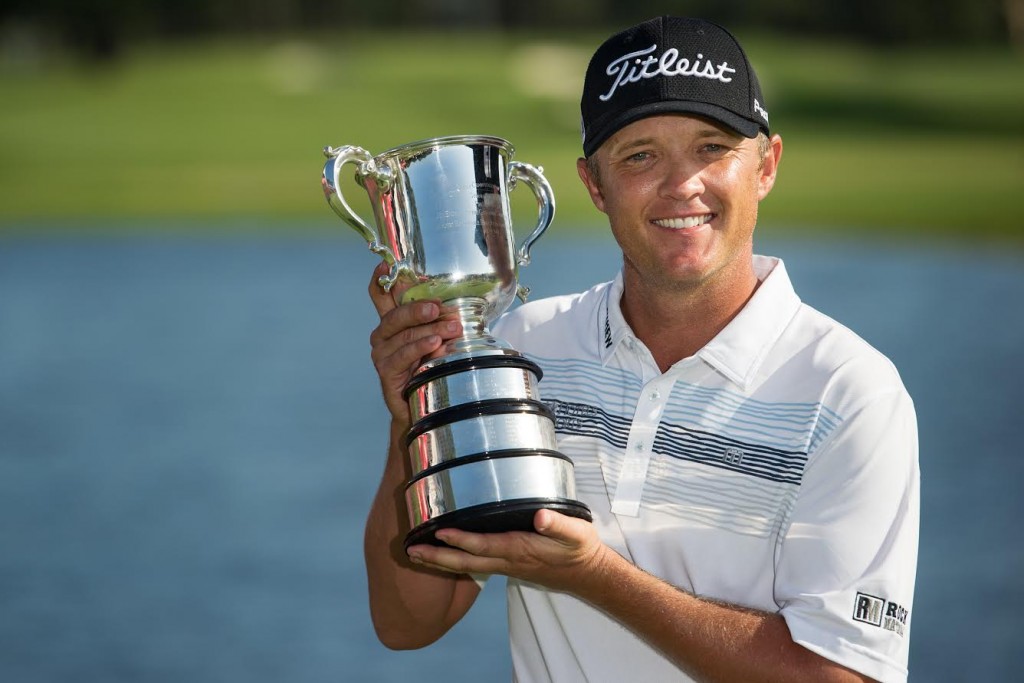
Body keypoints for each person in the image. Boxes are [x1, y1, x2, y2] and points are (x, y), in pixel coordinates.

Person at [362, 16, 919, 683]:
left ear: (765, 166)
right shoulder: (524, 350)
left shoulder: (850, 391)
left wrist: (594, 575)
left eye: (712, 147)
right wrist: (413, 420)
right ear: (594, 184)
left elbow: (841, 677)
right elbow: (409, 621)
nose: (682, 184)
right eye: (640, 156)